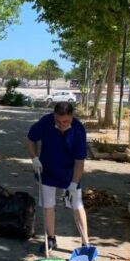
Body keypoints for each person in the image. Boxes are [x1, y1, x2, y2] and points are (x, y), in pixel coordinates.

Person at [26, 101, 90, 251]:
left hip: (69, 174)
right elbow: (30, 140)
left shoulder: (78, 130)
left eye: (65, 121)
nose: (61, 124)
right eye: (58, 121)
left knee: (77, 205)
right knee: (47, 205)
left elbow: (79, 161)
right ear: (54, 116)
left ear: (72, 117)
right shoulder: (46, 121)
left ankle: (85, 244)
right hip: (47, 171)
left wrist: (74, 184)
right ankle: (51, 238)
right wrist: (34, 158)